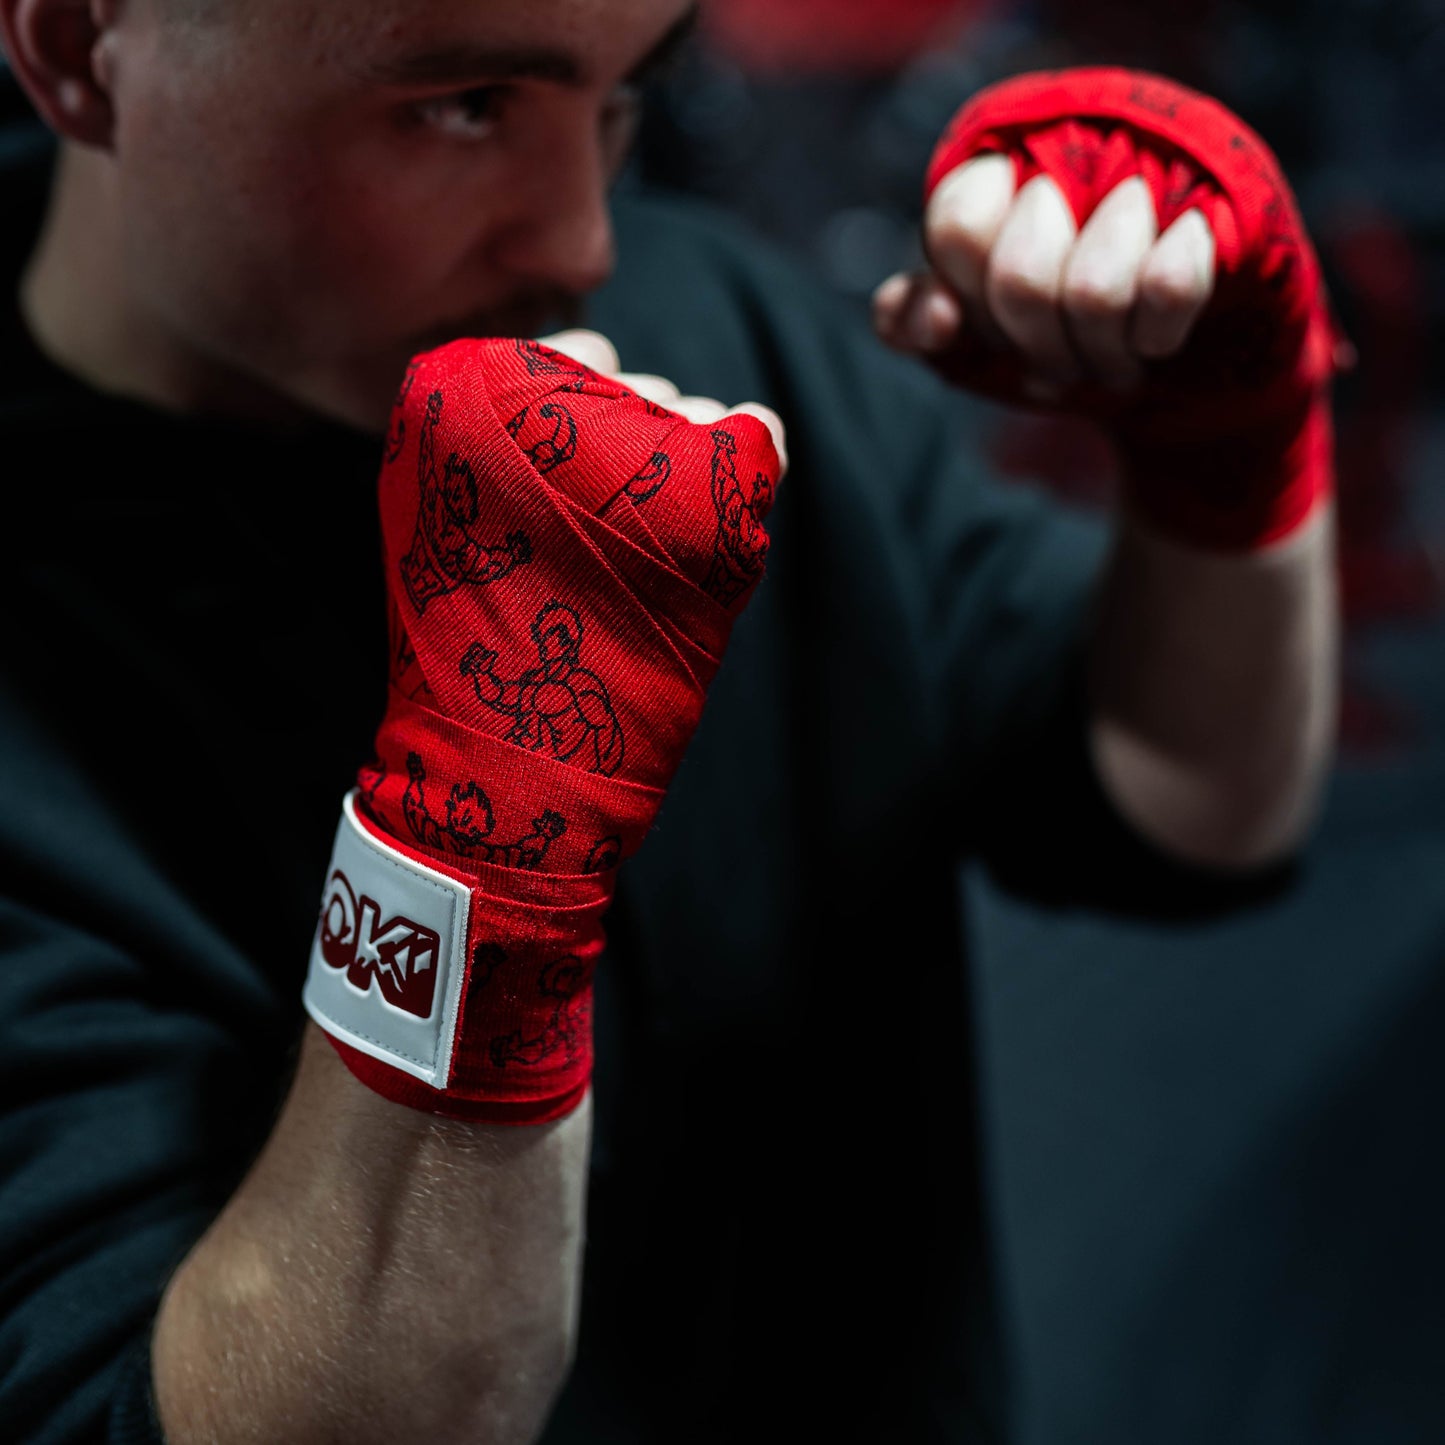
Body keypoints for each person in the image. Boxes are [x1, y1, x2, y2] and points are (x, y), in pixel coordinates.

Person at [0, 0, 1341, 1441]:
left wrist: (1223, 457)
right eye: (463, 105)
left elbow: (1192, 789)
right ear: (82, 47)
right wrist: (494, 816)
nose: (582, 241)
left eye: (624, 97)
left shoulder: (712, 331)